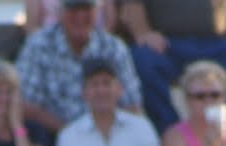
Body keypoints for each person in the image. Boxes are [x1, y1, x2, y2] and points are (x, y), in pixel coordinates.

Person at [116, 0, 226, 137]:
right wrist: (144, 33)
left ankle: (214, 123)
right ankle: (173, 134)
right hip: (166, 44)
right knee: (144, 64)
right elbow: (130, 6)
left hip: (210, 42)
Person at [15, 0, 141, 137]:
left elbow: (132, 105)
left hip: (108, 137)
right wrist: (70, 135)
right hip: (54, 136)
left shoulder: (114, 48)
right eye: (73, 9)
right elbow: (25, 104)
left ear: (97, 12)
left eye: (86, 9)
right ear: (60, 12)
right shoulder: (38, 45)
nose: (80, 16)